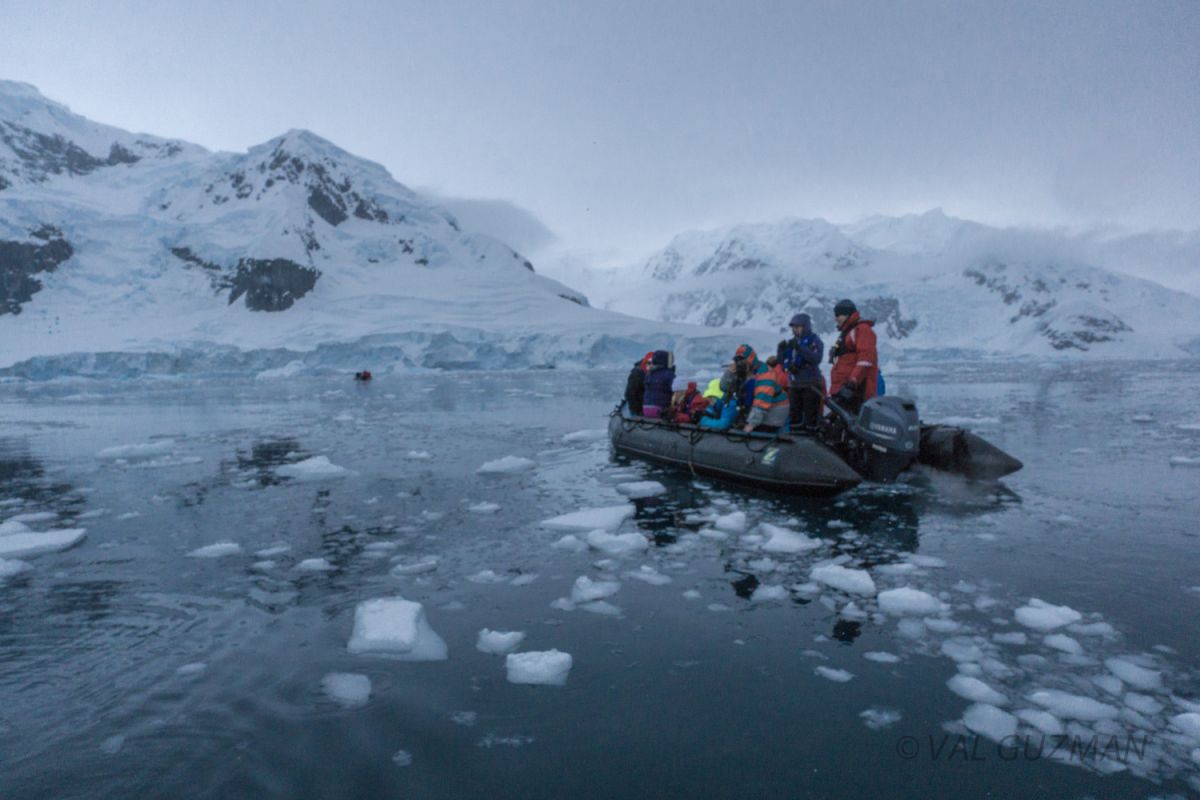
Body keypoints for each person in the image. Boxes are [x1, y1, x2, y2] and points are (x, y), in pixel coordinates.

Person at [828, 299, 878, 413]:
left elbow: (865, 360)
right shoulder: (848, 331)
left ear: (847, 314)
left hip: (855, 392)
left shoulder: (862, 330)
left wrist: (852, 383)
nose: (836, 318)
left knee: (850, 425)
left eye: (838, 315)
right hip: (843, 390)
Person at [777, 313, 825, 431]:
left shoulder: (815, 341)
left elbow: (816, 358)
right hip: (795, 385)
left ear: (805, 326)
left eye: (798, 327)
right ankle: (795, 440)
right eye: (793, 327)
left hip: (811, 384)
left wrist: (800, 348)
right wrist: (780, 351)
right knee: (794, 416)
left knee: (810, 417)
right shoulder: (792, 342)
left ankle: (811, 441)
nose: (795, 330)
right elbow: (783, 365)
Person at [732, 344, 789, 433]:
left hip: (775, 410)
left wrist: (751, 424)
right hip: (758, 410)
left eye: (743, 360)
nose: (740, 363)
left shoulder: (765, 373)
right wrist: (730, 372)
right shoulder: (744, 373)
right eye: (738, 361)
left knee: (756, 429)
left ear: (750, 359)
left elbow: (761, 401)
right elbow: (724, 387)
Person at [642, 350, 675, 418]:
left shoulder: (649, 374)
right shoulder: (668, 374)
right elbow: (675, 391)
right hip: (660, 410)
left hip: (645, 409)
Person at [624, 351, 653, 416]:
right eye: (649, 363)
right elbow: (630, 394)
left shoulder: (650, 374)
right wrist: (637, 411)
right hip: (638, 409)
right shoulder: (637, 374)